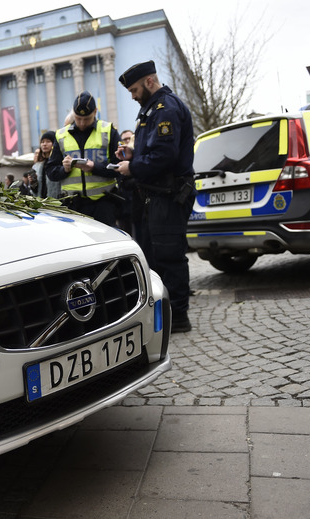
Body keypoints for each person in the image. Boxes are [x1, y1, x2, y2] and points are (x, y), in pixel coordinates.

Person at [116, 60, 197, 333]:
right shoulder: (150, 109)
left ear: (150, 81)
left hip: (169, 195)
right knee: (153, 255)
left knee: (169, 256)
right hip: (155, 195)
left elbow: (164, 155)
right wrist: (132, 155)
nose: (133, 95)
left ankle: (179, 317)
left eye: (135, 89)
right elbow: (152, 150)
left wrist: (132, 167)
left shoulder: (166, 108)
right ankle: (165, 313)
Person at [45, 91, 123, 226]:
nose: (81, 123)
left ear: (95, 112)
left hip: (103, 204)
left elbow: (120, 167)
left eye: (86, 119)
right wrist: (64, 169)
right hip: (73, 206)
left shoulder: (108, 131)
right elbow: (51, 171)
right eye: (77, 118)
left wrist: (94, 167)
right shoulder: (61, 135)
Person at [32, 130, 60, 199]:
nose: (44, 144)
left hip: (56, 203)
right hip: (41, 204)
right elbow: (36, 190)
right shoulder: (37, 166)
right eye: (42, 142)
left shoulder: (59, 163)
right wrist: (33, 183)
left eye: (48, 141)